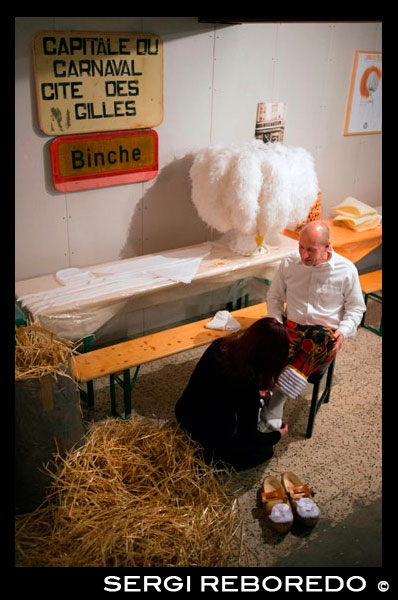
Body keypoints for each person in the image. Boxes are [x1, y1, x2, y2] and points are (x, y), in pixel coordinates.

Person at [259, 220, 366, 431]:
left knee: (320, 336)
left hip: (323, 336)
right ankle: (258, 397)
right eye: (301, 247)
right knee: (257, 339)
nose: (304, 255)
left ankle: (276, 399)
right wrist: (276, 324)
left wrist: (343, 333)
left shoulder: (346, 270)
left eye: (311, 250)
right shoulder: (289, 263)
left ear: (327, 247)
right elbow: (274, 297)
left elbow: (356, 309)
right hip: (290, 327)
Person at [175, 317, 290, 471]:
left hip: (184, 411)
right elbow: (249, 435)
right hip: (207, 433)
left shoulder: (220, 346)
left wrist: (255, 395)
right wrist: (277, 435)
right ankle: (210, 461)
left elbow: (223, 385)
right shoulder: (248, 385)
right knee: (265, 452)